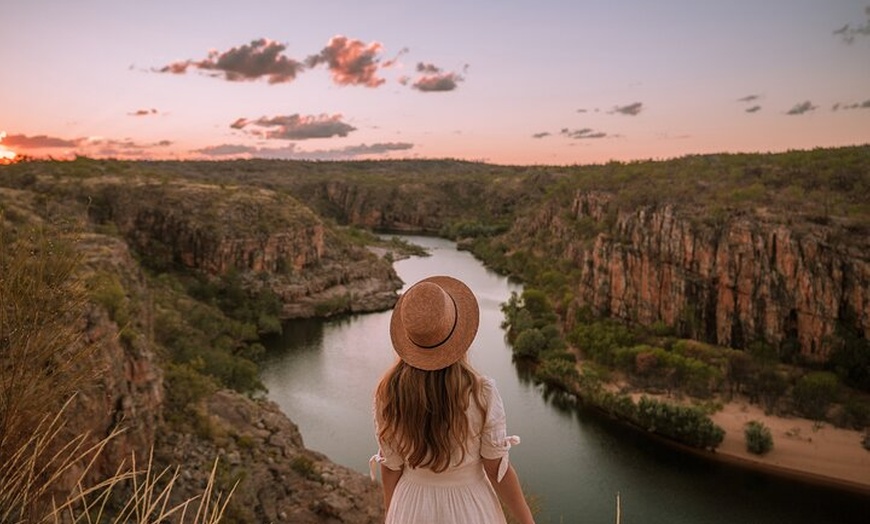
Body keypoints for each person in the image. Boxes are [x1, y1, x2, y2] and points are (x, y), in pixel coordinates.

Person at [370, 275, 536, 524]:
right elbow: (496, 470)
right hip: (470, 508)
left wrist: (391, 514)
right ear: (458, 335)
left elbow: (391, 467)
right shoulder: (481, 392)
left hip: (410, 507)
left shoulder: (388, 392)